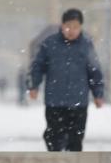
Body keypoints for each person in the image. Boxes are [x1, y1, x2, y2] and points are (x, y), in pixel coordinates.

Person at [28, 8, 104, 151]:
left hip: (79, 102)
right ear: (62, 26)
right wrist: (34, 85)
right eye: (68, 26)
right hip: (55, 102)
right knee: (54, 137)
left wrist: (98, 94)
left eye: (75, 27)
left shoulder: (86, 46)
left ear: (80, 27)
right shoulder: (50, 44)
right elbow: (37, 66)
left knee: (75, 140)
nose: (71, 30)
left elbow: (95, 71)